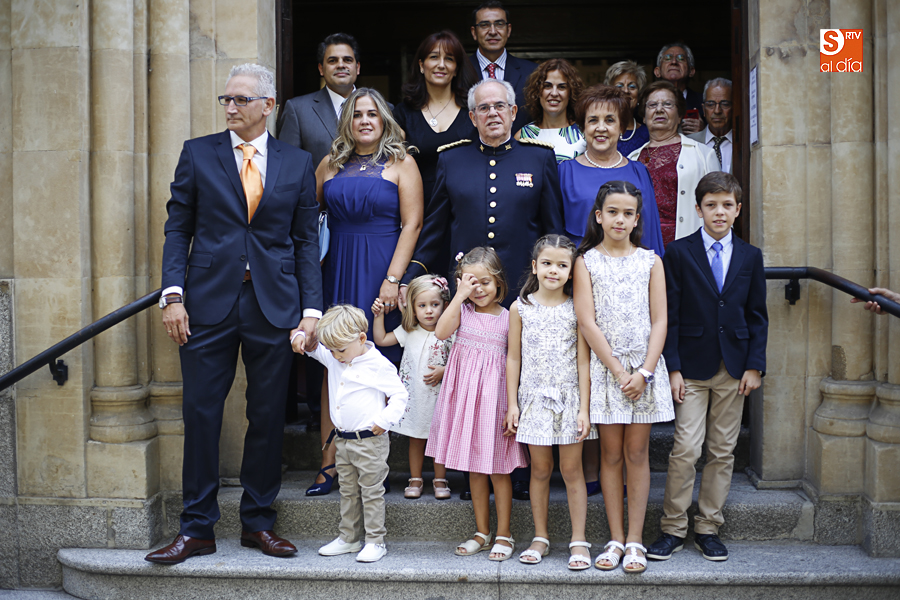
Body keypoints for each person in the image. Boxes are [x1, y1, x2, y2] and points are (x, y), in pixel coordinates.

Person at [147, 64, 322, 565]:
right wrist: (173, 295)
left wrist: (311, 310)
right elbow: (177, 227)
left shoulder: (296, 161)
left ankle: (259, 524)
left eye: (241, 99)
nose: (230, 107)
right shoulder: (198, 153)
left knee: (266, 416)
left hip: (275, 304)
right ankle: (197, 528)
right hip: (206, 304)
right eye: (226, 99)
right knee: (201, 413)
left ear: (267, 106)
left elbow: (306, 240)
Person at [645, 172, 768, 563]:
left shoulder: (751, 256)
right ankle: (673, 527)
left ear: (738, 210)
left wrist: (755, 366)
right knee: (685, 448)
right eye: (711, 205)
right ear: (698, 209)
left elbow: (757, 316)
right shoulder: (678, 253)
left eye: (727, 205)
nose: (719, 212)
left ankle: (708, 526)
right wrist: (673, 368)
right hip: (692, 369)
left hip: (734, 368)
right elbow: (672, 315)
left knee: (722, 450)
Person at [308, 88, 424, 497]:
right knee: (335, 363)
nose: (365, 121)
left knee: (382, 362)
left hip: (381, 267)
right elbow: (310, 220)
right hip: (337, 268)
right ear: (347, 122)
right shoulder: (329, 164)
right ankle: (330, 464)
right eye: (357, 115)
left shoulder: (402, 163)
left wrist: (393, 279)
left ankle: (383, 464)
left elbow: (412, 224)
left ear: (384, 119)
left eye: (373, 114)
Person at [573, 181, 673, 573]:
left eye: (628, 213)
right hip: (608, 370)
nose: (620, 219)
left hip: (644, 371)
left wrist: (645, 372)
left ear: (636, 219)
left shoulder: (651, 261)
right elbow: (586, 320)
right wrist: (618, 372)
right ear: (599, 216)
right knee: (610, 455)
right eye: (612, 211)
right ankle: (615, 538)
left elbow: (661, 319)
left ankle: (635, 541)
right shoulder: (586, 261)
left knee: (637, 453)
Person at [401, 78, 564, 308]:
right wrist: (409, 277)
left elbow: (553, 231)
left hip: (524, 286)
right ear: (473, 118)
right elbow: (434, 230)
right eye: (484, 108)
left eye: (500, 106)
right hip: (468, 289)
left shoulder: (539, 158)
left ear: (513, 112)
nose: (493, 113)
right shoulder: (451, 160)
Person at [429, 247, 528, 560]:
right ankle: (481, 531)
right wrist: (459, 297)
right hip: (467, 403)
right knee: (474, 469)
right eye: (471, 283)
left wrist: (513, 404)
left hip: (495, 401)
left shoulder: (508, 314)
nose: (479, 290)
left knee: (498, 469)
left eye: (485, 282)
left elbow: (515, 359)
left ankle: (504, 534)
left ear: (498, 281)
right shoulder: (463, 312)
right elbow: (440, 332)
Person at [504, 235, 594, 570]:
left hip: (570, 398)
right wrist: (512, 404)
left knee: (572, 470)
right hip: (534, 399)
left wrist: (585, 408)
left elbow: (584, 361)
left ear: (572, 271)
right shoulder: (520, 308)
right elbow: (513, 358)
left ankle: (579, 539)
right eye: (547, 263)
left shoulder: (578, 308)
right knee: (540, 469)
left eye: (561, 265)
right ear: (534, 266)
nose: (553, 270)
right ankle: (540, 536)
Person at [295, 304, 408, 563]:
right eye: (332, 350)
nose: (335, 356)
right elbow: (312, 349)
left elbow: (400, 395)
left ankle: (375, 541)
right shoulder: (337, 356)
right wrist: (299, 336)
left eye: (340, 350)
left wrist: (384, 420)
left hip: (370, 441)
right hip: (343, 441)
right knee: (348, 491)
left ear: (360, 339)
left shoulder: (377, 365)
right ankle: (348, 538)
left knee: (371, 492)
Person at [371, 275, 454, 500]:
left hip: (439, 398)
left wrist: (443, 371)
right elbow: (380, 339)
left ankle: (440, 479)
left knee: (439, 439)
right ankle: (415, 478)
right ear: (413, 308)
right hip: (415, 398)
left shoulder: (450, 333)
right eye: (422, 305)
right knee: (416, 439)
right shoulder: (409, 330)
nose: (429, 311)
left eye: (434, 305)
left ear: (445, 305)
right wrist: (378, 317)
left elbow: (461, 363)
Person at [558, 84, 664, 253]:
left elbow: (651, 234)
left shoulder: (639, 172)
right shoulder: (565, 173)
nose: (601, 128)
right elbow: (554, 236)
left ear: (621, 128)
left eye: (609, 120)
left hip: (631, 273)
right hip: (580, 271)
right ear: (583, 128)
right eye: (593, 120)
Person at [394, 31, 478, 210]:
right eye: (434, 57)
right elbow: (392, 166)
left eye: (449, 59)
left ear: (456, 69)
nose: (441, 65)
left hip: (467, 210)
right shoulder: (403, 113)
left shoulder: (474, 112)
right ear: (421, 65)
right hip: (418, 211)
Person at [629, 80, 719, 248]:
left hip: (690, 247)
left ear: (679, 116)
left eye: (668, 104)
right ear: (644, 115)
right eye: (652, 104)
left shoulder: (704, 155)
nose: (659, 109)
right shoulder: (632, 159)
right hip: (642, 248)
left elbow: (719, 208)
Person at [279, 33, 361, 166]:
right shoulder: (298, 110)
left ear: (357, 68)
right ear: (321, 69)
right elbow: (288, 166)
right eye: (332, 60)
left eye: (347, 60)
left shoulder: (383, 109)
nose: (341, 65)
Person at [469, 0, 537, 133]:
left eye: (499, 24)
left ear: (508, 30)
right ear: (474, 32)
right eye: (484, 25)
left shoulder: (532, 73)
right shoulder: (459, 70)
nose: (493, 31)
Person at [515, 58, 586, 162]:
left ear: (571, 93)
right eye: (547, 86)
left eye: (561, 87)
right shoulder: (523, 136)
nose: (554, 93)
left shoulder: (585, 133)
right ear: (538, 92)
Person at [653, 43, 704, 135]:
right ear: (657, 71)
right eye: (668, 58)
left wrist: (704, 132)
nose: (674, 62)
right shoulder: (646, 103)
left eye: (681, 58)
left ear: (691, 71)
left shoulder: (704, 103)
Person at [604, 60, 650, 157]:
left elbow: (649, 164)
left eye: (632, 86)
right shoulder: (599, 129)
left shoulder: (648, 134)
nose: (625, 91)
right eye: (619, 86)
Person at [688, 78, 733, 173]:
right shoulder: (689, 143)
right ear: (703, 109)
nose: (717, 111)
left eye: (724, 104)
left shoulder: (744, 143)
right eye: (710, 104)